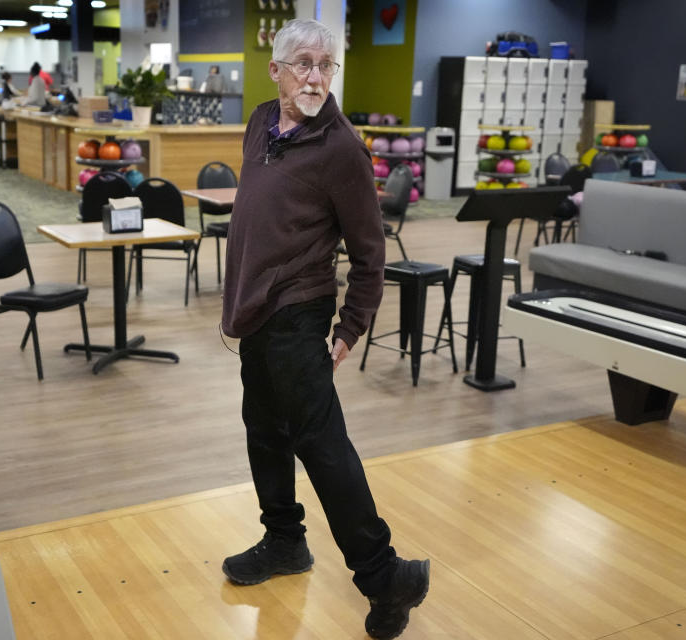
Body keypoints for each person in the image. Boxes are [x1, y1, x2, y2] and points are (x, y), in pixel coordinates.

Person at [220, 19, 430, 640]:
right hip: (256, 314)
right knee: (264, 431)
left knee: (321, 444)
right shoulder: (261, 122)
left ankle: (384, 574)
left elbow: (371, 252)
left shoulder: (341, 148)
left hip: (298, 311)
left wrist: (351, 326)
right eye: (303, 64)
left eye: (326, 65)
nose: (315, 77)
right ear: (276, 70)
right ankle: (284, 539)